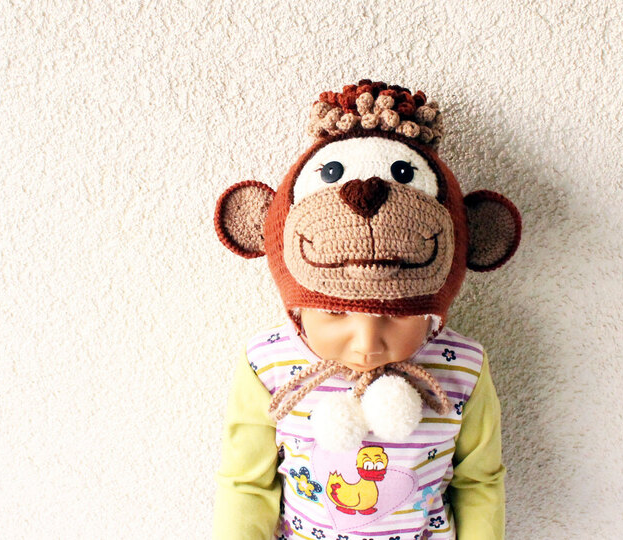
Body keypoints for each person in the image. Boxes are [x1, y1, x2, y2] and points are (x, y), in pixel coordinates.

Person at [211, 80, 522, 539]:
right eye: (335, 314)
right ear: (298, 310)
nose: (367, 343)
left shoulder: (463, 369)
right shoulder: (268, 365)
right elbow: (246, 484)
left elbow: (479, 483)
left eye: (397, 315)